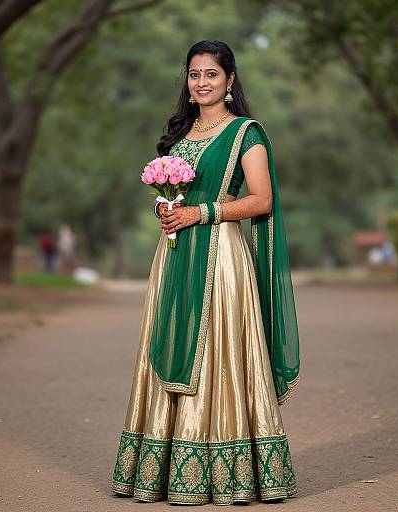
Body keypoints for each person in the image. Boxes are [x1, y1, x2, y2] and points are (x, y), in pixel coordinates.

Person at [111, 40, 300, 506]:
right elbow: (176, 194)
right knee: (173, 340)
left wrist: (202, 213)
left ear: (230, 80)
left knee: (218, 352)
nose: (201, 82)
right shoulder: (182, 134)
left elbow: (262, 199)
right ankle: (163, 472)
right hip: (176, 254)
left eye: (211, 74)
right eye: (194, 74)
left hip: (222, 255)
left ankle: (229, 471)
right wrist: (166, 206)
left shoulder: (245, 133)